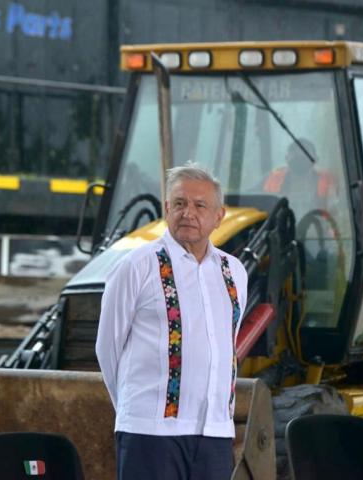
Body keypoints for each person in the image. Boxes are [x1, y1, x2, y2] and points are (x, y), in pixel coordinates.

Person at [96, 163, 248, 480]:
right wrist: (136, 410)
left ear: (219, 216)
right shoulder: (137, 266)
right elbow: (107, 348)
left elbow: (225, 346)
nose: (187, 213)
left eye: (199, 205)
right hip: (150, 435)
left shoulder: (234, 272)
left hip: (215, 435)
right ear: (167, 209)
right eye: (179, 203)